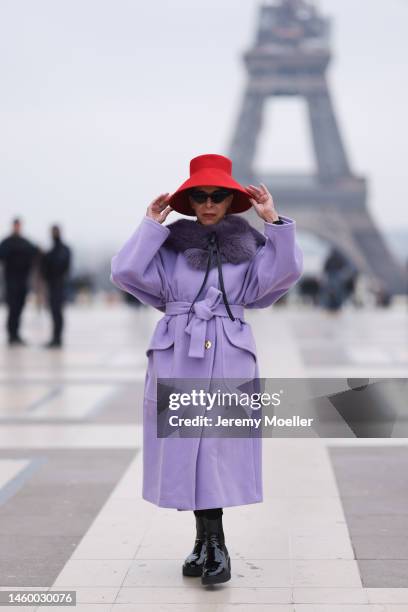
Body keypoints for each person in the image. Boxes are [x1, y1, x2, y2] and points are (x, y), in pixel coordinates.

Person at [110, 153, 303, 585]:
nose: (209, 203)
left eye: (218, 196)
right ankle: (202, 543)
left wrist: (272, 222)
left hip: (227, 353)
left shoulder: (250, 248)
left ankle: (216, 545)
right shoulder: (170, 248)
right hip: (178, 350)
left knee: (214, 448)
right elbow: (124, 271)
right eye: (200, 196)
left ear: (231, 201)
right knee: (186, 451)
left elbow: (283, 274)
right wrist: (150, 226)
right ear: (190, 201)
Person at [0, 217, 39, 345]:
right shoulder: (7, 242)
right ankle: (12, 335)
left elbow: (36, 253)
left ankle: (16, 334)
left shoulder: (25, 242)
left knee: (20, 307)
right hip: (11, 281)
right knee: (13, 308)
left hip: (22, 281)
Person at [40, 224, 71, 348]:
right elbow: (44, 268)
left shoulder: (62, 250)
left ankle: (57, 338)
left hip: (59, 285)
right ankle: (55, 337)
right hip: (52, 285)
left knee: (57, 312)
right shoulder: (52, 250)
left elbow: (62, 266)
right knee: (54, 311)